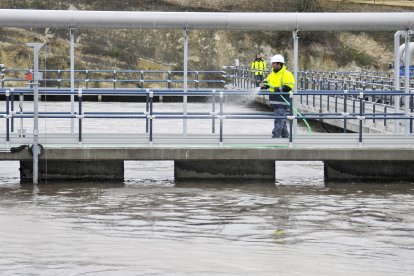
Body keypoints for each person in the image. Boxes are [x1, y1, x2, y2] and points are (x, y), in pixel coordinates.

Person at [260, 54, 295, 138]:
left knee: (278, 119)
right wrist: (264, 85)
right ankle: (286, 136)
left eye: (274, 63)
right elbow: (267, 81)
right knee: (281, 120)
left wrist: (278, 89)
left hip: (282, 102)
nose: (272, 65)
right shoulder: (272, 74)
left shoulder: (286, 74)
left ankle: (275, 136)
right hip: (275, 101)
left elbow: (289, 87)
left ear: (279, 64)